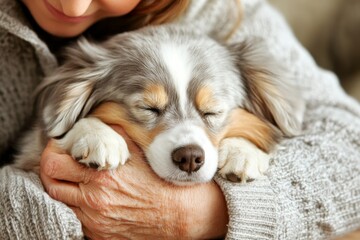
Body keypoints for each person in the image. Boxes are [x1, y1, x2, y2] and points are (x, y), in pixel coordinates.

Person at [0, 0, 360, 239]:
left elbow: (350, 150)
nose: (72, 3)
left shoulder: (221, 11)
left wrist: (208, 212)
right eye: (150, 109)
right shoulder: (85, 92)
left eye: (212, 112)